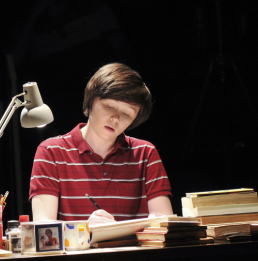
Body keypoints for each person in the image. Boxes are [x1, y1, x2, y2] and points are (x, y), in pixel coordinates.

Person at [29, 62, 173, 222]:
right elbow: (42, 227)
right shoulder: (51, 151)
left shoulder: (145, 153)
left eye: (126, 114)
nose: (116, 119)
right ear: (91, 101)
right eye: (109, 107)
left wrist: (157, 221)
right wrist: (86, 229)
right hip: (79, 247)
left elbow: (164, 221)